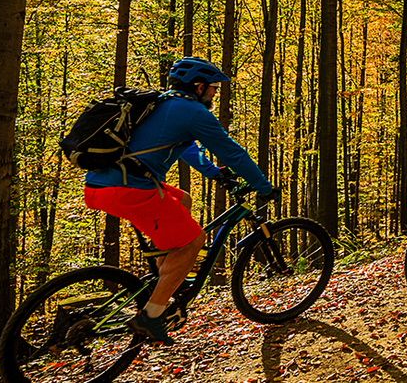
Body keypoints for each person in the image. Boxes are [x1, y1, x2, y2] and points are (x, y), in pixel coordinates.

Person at [83, 57, 277, 345]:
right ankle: (151, 316)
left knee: (182, 199)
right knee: (194, 240)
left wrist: (214, 173)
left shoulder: (162, 103)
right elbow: (233, 153)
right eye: (212, 87)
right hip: (128, 189)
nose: (214, 93)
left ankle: (168, 275)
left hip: (101, 185)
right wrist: (263, 186)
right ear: (198, 86)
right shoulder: (193, 112)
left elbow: (187, 149)